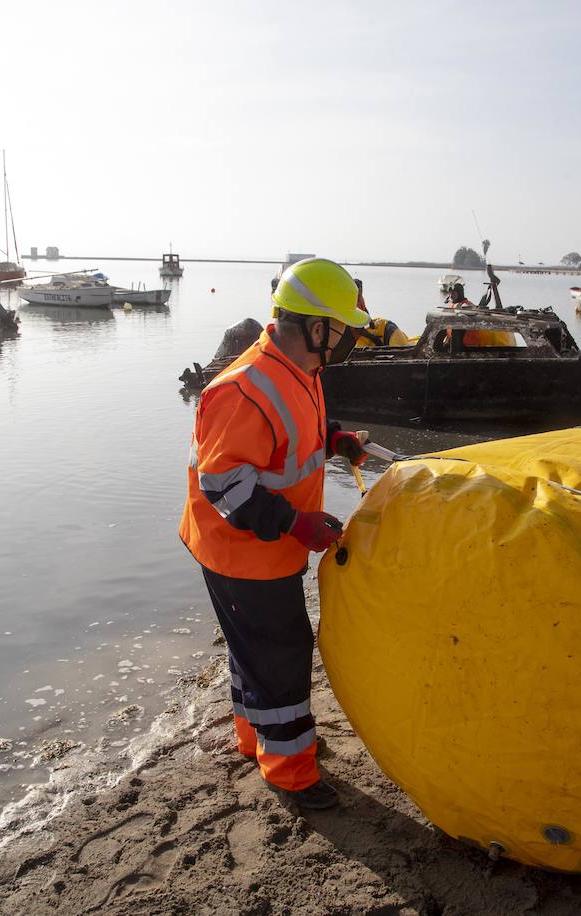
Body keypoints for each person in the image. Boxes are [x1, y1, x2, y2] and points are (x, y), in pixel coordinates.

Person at [180, 257, 370, 810]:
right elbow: (225, 487)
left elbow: (295, 437)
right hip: (242, 554)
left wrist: (336, 440)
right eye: (345, 328)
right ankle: (290, 771)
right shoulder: (244, 388)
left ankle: (257, 741)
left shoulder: (298, 371)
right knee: (282, 655)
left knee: (256, 652)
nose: (351, 338)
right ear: (317, 328)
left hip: (266, 551)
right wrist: (295, 523)